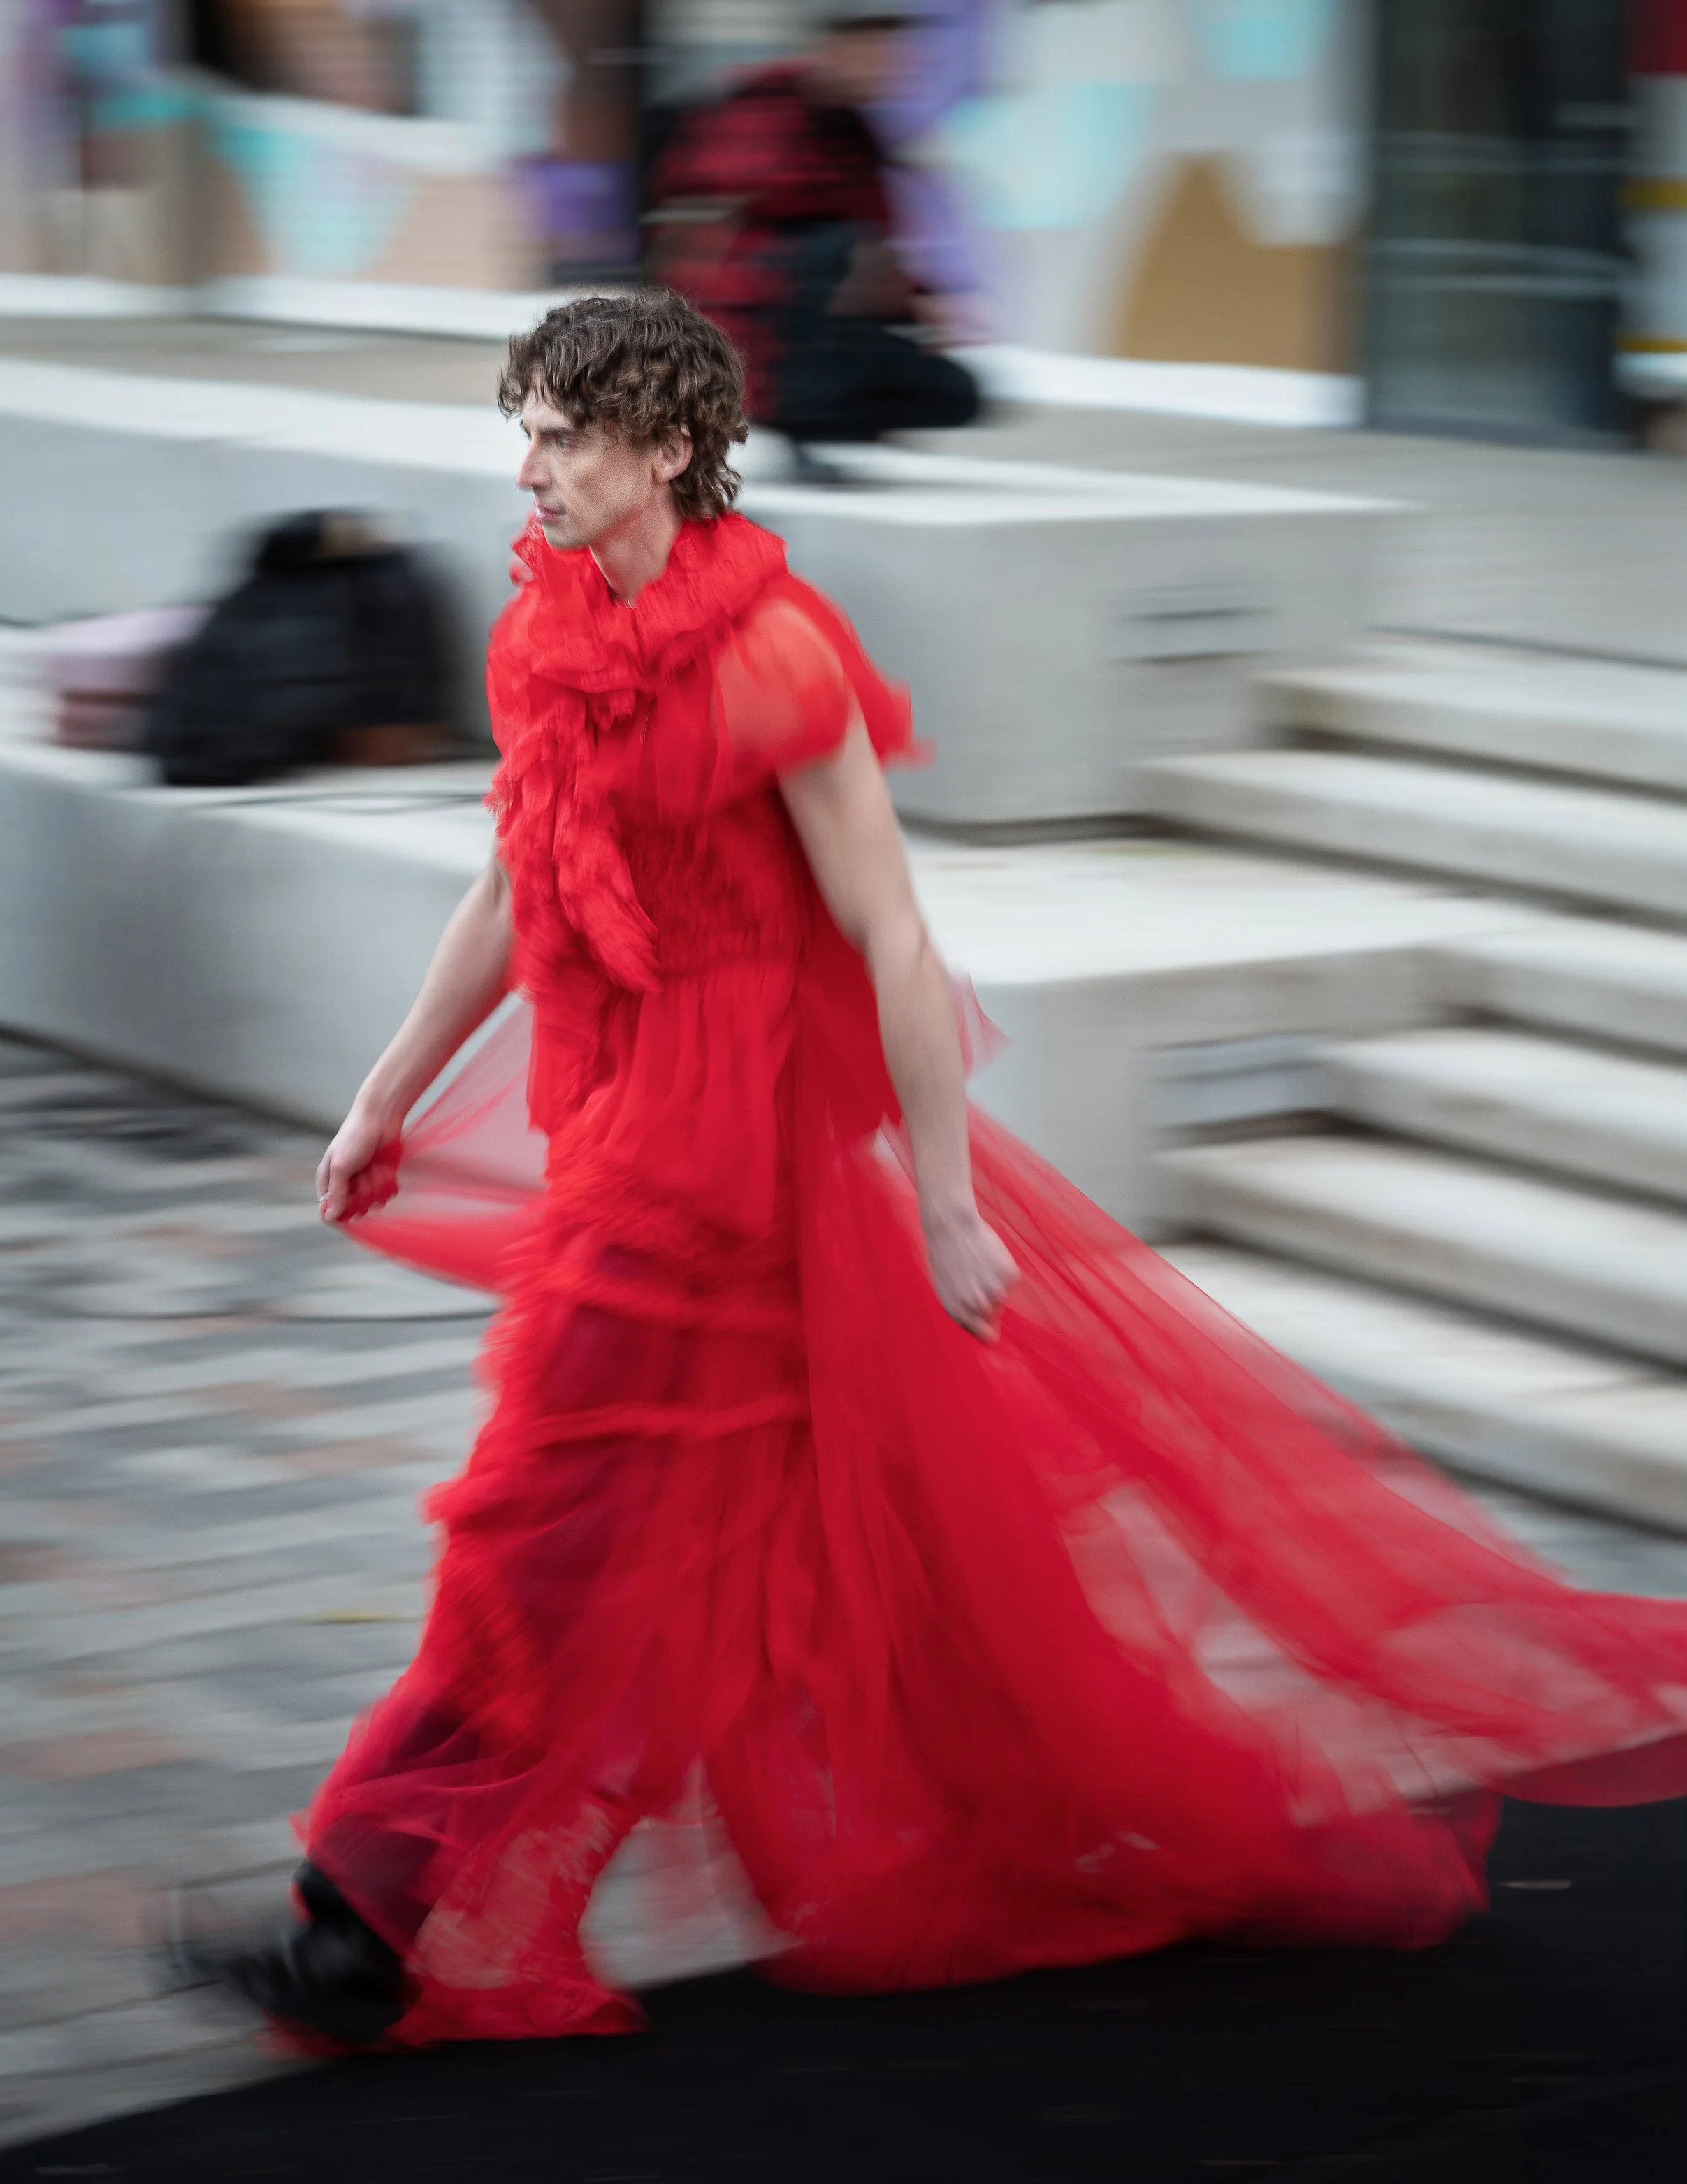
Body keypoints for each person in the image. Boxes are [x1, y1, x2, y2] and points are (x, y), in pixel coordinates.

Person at [184, 289, 1687, 2050]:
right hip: (619, 1111)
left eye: (565, 436)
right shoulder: (544, 634)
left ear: (667, 446)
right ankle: (452, 1900)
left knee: (537, 1523)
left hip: (722, 1150)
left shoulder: (775, 655)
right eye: (522, 433)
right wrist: (385, 1094)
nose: (533, 470)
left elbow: (893, 935)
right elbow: (519, 883)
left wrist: (954, 1203)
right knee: (693, 1555)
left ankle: (361, 1906)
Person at [646, 1, 980, 460]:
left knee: (958, 394)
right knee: (830, 250)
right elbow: (716, 249)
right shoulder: (765, 111)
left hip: (810, 328)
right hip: (742, 337)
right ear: (835, 50)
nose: (894, 64)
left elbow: (875, 244)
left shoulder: (854, 131)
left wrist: (923, 303)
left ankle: (830, 422)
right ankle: (794, 419)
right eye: (879, 50)